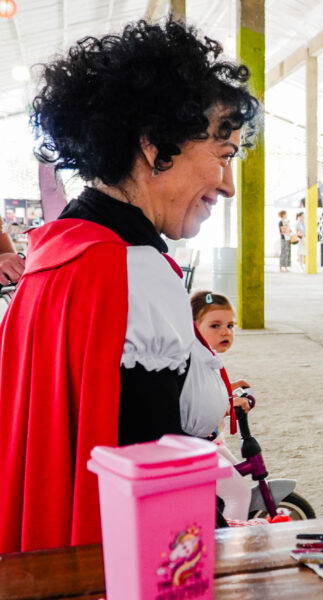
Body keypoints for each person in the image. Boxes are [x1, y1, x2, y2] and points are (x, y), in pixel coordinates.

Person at [0, 19, 260, 553]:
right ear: (152, 146)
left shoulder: (57, 250)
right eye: (224, 154)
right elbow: (158, 480)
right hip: (115, 559)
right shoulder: (133, 272)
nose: (229, 185)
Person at [191, 290, 254, 522]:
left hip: (212, 442)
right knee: (239, 493)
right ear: (193, 327)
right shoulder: (193, 361)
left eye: (230, 325)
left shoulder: (208, 357)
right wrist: (227, 402)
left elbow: (212, 386)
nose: (226, 331)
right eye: (215, 326)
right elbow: (199, 401)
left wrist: (229, 388)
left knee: (238, 475)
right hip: (197, 446)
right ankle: (230, 550)